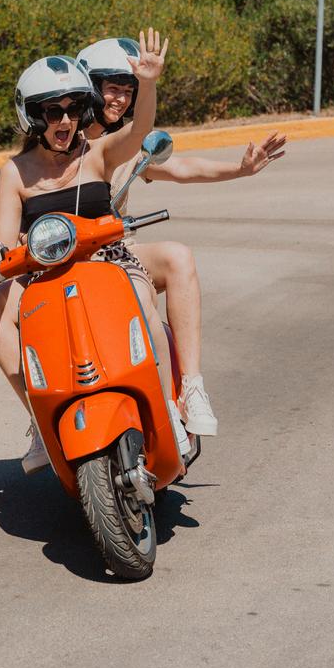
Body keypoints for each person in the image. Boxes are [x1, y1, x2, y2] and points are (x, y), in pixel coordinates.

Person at [0, 29, 186, 474]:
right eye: (53, 111)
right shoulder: (15, 172)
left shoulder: (97, 153)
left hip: (107, 263)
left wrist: (147, 84)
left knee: (144, 303)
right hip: (45, 276)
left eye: (73, 109)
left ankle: (168, 412)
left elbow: (140, 131)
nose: (65, 121)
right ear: (33, 117)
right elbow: (1, 245)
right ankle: (39, 419)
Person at [75, 37, 286, 439]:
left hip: (118, 253)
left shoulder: (124, 145)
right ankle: (40, 420)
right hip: (73, 261)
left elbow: (182, 168)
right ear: (90, 85)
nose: (120, 99)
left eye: (128, 91)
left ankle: (190, 388)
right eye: (112, 88)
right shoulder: (61, 141)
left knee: (178, 256)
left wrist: (239, 169)